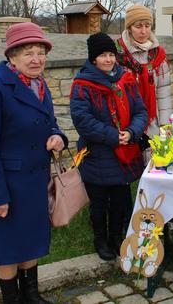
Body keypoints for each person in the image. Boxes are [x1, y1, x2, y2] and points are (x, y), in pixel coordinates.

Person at [0, 22, 67, 304]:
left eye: (41, 52)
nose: (37, 59)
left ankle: (32, 295)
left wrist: (58, 137)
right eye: (28, 53)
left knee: (31, 240)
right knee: (8, 247)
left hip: (34, 181)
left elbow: (51, 124)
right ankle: (12, 299)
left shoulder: (39, 85)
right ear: (12, 56)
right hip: (7, 184)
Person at [69, 33, 148, 261]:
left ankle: (117, 237)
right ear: (93, 59)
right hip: (99, 153)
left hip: (125, 151)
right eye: (103, 55)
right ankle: (100, 240)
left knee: (121, 199)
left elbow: (140, 111)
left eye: (111, 54)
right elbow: (83, 120)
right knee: (99, 202)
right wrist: (114, 136)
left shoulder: (125, 80)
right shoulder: (83, 85)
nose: (109, 60)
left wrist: (132, 132)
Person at [116, 4, 171, 145]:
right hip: (127, 122)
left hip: (153, 121)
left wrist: (165, 123)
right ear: (129, 28)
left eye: (147, 25)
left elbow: (163, 91)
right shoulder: (118, 55)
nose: (144, 31)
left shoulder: (158, 54)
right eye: (138, 26)